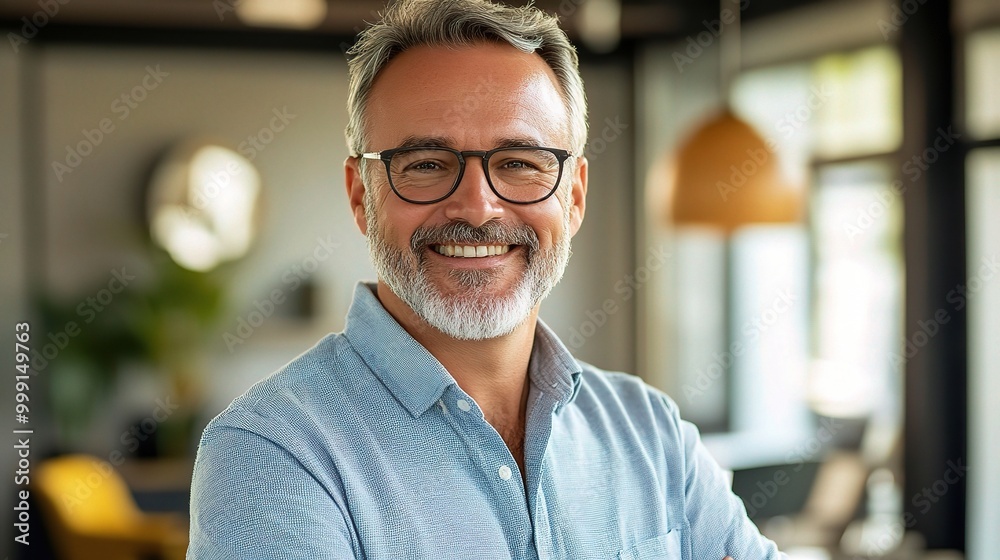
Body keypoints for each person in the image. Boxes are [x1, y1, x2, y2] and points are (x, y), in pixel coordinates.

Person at [187, 0, 787, 558]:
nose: (477, 208)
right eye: (426, 164)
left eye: (520, 163)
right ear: (361, 196)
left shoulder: (649, 431)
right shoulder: (273, 452)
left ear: (573, 197)